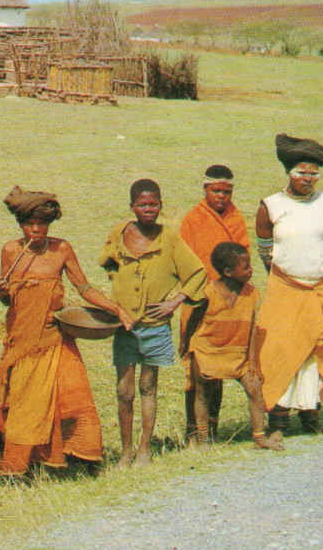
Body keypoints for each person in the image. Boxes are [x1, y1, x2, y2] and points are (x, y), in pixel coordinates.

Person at [0, 187, 133, 476]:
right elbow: (7, 299)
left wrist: (116, 309)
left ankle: (76, 458)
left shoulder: (62, 249)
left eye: (41, 224)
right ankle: (19, 463)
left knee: (71, 397)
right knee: (24, 403)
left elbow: (85, 287)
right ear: (20, 225)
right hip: (22, 340)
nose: (36, 230)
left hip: (55, 337)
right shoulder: (10, 250)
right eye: (29, 225)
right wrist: (4, 292)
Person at [99, 179, 207, 466]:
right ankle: (125, 451)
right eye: (143, 205)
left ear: (161, 204)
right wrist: (119, 296)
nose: (149, 209)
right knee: (124, 390)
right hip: (125, 327)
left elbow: (196, 273)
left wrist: (174, 301)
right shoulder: (118, 234)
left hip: (155, 327)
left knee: (148, 386)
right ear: (132, 206)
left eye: (154, 204)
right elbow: (107, 261)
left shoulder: (168, 238)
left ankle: (144, 448)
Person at [255, 134, 323, 441]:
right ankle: (278, 421)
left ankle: (311, 415)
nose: (307, 179)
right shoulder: (271, 206)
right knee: (278, 349)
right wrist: (286, 279)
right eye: (301, 173)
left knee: (320, 348)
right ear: (288, 173)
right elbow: (265, 252)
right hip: (284, 289)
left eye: (313, 173)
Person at [181, 242, 282, 451]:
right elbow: (193, 320)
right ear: (227, 271)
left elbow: (253, 329)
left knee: (254, 389)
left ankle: (259, 437)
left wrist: (253, 361)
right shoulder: (208, 293)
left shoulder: (252, 294)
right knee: (203, 394)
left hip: (238, 354)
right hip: (207, 351)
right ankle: (203, 439)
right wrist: (185, 344)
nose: (251, 270)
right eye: (245, 267)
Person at [178, 164, 251, 441]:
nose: (221, 196)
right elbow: (184, 260)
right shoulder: (192, 220)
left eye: (227, 191)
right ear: (205, 189)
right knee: (195, 366)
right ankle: (193, 431)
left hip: (228, 300)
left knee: (219, 364)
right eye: (216, 190)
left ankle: (212, 429)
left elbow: (244, 257)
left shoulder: (237, 218)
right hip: (199, 299)